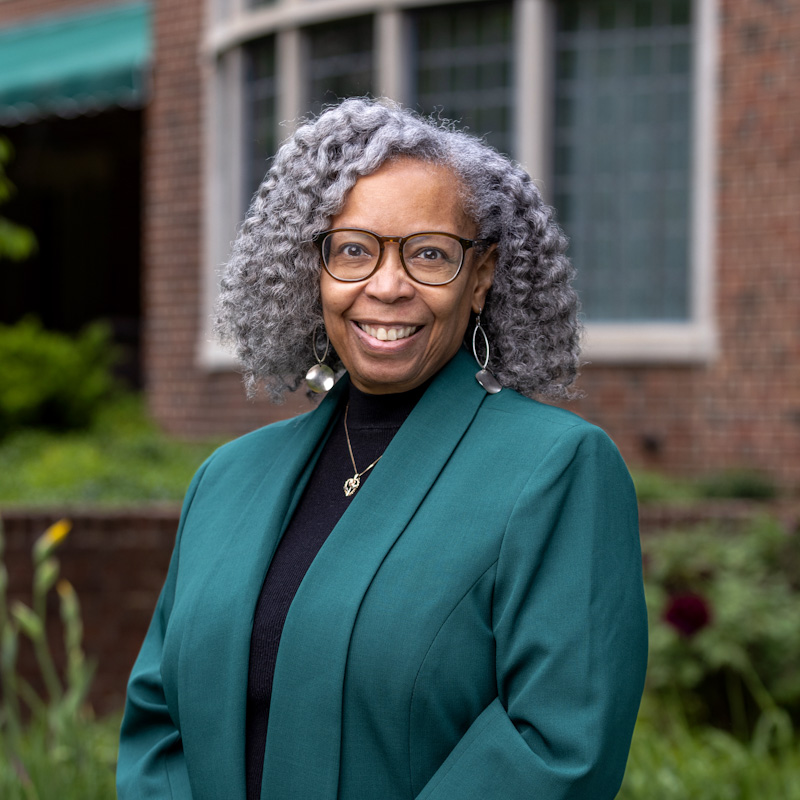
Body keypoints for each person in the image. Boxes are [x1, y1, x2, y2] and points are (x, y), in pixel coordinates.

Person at [117, 97, 647, 800]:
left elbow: (555, 746)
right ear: (316, 271)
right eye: (354, 250)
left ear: (481, 276)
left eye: (429, 254)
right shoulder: (226, 481)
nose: (387, 285)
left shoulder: (554, 472)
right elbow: (158, 723)